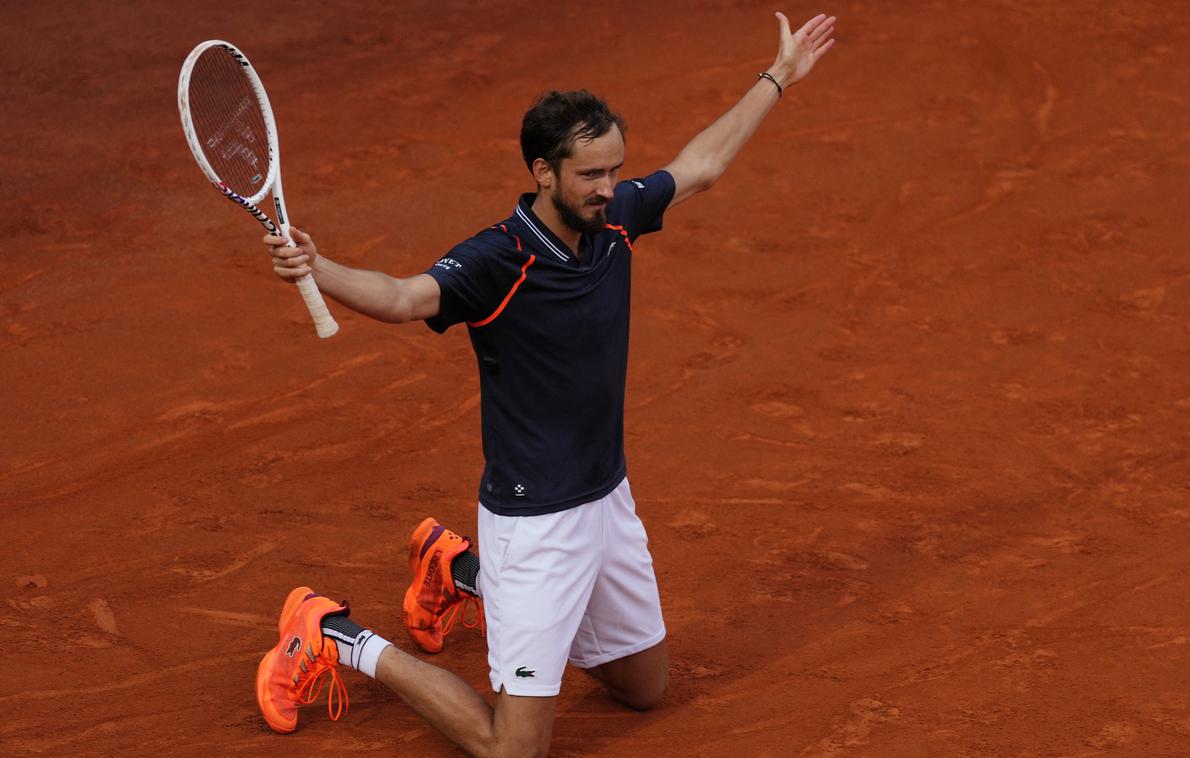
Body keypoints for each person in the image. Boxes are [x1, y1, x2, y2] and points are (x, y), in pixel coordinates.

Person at [255, 11, 835, 757]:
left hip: (607, 502)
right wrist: (319, 268)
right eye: (591, 175)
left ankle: (455, 569)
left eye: (614, 170)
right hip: (535, 530)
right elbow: (403, 298)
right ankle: (337, 634)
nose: (609, 188)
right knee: (513, 748)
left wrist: (778, 76)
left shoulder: (615, 221)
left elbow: (701, 167)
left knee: (645, 688)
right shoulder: (496, 261)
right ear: (543, 173)